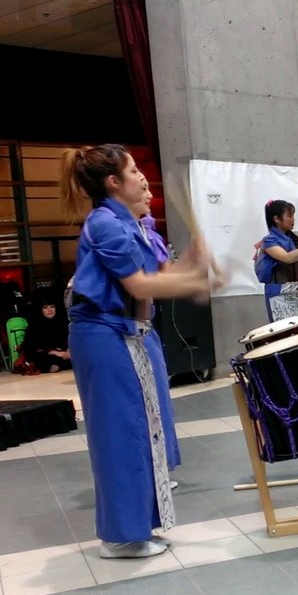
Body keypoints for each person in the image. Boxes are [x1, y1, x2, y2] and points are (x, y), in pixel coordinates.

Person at [59, 144, 215, 559]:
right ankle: (119, 536)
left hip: (134, 332)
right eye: (134, 171)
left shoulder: (140, 224)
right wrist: (197, 282)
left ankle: (139, 525)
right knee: (121, 433)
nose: (143, 178)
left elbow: (163, 275)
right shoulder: (105, 224)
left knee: (147, 427)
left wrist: (194, 266)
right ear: (113, 183)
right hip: (104, 334)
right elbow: (141, 287)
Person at [130, 189, 183, 491]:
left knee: (157, 401)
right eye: (139, 184)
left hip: (145, 329)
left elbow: (163, 276)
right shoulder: (110, 229)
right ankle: (146, 472)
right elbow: (148, 285)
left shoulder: (144, 232)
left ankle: (158, 468)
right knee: (143, 404)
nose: (149, 193)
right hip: (127, 332)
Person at [21, 299, 70, 373]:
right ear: (40, 310)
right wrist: (53, 352)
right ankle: (55, 366)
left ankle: (58, 366)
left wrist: (68, 351)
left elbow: (70, 341)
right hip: (45, 354)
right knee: (39, 357)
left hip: (63, 354)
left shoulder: (64, 324)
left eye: (52, 307)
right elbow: (31, 348)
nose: (49, 310)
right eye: (45, 307)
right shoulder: (34, 326)